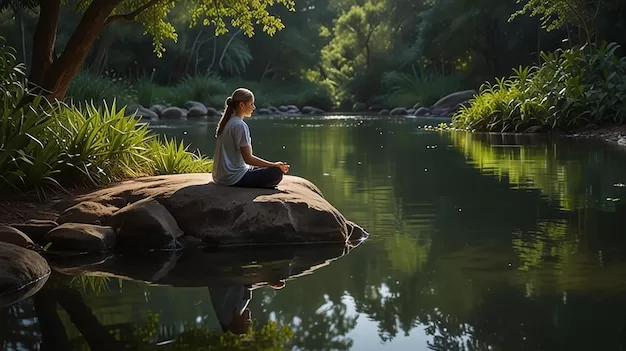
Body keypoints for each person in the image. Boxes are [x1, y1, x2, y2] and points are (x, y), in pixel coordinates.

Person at [212, 88, 290, 188]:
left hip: (219, 177)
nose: (254, 107)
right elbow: (248, 159)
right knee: (276, 172)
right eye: (251, 104)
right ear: (242, 105)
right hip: (233, 178)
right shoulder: (240, 125)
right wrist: (273, 165)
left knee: (264, 169)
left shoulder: (226, 123)